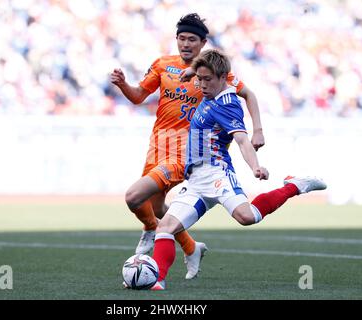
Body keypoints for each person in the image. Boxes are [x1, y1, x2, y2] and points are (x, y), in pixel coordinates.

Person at [150, 49, 327, 290]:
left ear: (224, 77)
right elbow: (210, 62)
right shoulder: (210, 84)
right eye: (199, 79)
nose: (201, 85)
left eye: (206, 79)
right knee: (165, 227)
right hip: (196, 181)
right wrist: (193, 70)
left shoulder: (227, 104)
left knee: (247, 217)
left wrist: (255, 166)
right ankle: (157, 279)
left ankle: (295, 185)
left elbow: (242, 140)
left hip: (218, 174)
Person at [110, 13, 265, 280]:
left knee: (134, 197)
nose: (185, 44)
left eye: (192, 39)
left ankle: (150, 230)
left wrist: (258, 131)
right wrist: (124, 85)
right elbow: (138, 97)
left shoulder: (212, 72)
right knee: (160, 209)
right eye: (181, 38)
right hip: (158, 145)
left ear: (203, 42)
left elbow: (248, 94)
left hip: (187, 151)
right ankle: (191, 247)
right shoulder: (162, 65)